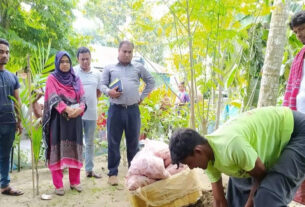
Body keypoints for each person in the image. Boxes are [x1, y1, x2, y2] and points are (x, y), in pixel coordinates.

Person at [169, 106, 305, 207]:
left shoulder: (231, 145)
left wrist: (249, 203)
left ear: (198, 151)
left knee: (267, 195)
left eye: (189, 163)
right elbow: (219, 201)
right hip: (269, 146)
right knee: (237, 188)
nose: (191, 168)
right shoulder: (208, 156)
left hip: (297, 133)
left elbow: (261, 174)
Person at [100, 40, 155, 186]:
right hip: (115, 110)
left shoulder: (138, 67)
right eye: (124, 51)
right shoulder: (109, 68)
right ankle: (112, 173)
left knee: (133, 143)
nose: (127, 54)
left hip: (132, 110)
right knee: (113, 142)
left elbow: (151, 81)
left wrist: (142, 97)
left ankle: (134, 174)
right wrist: (109, 92)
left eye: (130, 52)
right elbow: (102, 84)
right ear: (118, 51)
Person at [42, 51, 86, 196]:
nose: (65, 64)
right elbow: (53, 97)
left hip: (75, 119)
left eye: (67, 61)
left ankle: (75, 182)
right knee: (57, 149)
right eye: (62, 61)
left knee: (75, 147)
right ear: (57, 63)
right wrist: (66, 109)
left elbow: (83, 98)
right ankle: (58, 185)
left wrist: (80, 109)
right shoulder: (52, 78)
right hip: (59, 120)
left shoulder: (76, 79)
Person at [283, 10, 305, 204]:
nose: (299, 35)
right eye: (296, 32)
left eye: (303, 29)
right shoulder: (299, 57)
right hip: (299, 118)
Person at [0, 38, 23, 196]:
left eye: (7, 52)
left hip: (9, 122)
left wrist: (19, 121)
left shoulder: (12, 77)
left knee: (5, 154)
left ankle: (5, 185)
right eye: (1, 52)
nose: (5, 55)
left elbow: (17, 101)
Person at [74, 46, 102, 179]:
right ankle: (75, 172)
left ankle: (89, 170)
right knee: (76, 142)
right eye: (82, 59)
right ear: (77, 59)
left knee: (90, 142)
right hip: (76, 114)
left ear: (91, 58)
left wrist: (91, 102)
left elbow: (99, 91)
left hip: (91, 114)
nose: (85, 61)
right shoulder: (73, 71)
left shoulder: (97, 73)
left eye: (87, 59)